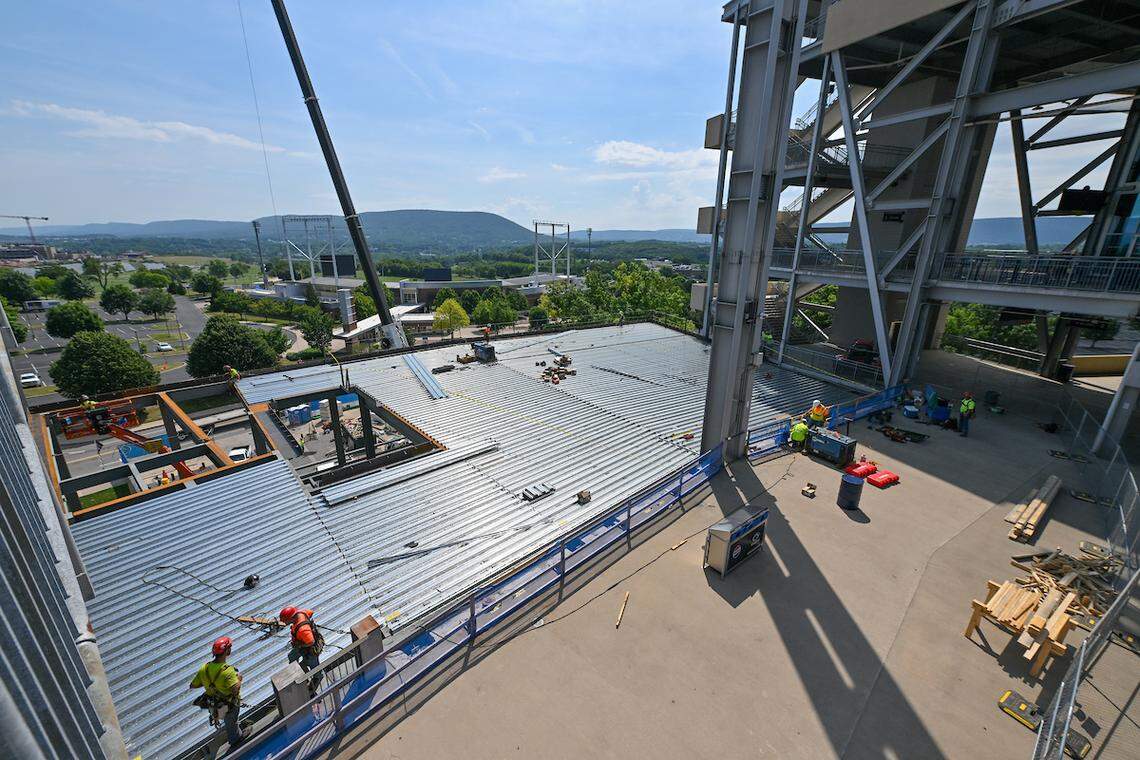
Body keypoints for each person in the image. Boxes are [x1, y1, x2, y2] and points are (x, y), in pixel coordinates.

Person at [189, 637, 246, 748]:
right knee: (232, 722)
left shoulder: (204, 668)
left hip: (215, 705)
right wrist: (239, 679)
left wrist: (208, 683)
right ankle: (236, 741)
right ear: (227, 651)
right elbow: (235, 691)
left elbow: (193, 685)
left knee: (230, 722)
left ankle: (236, 734)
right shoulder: (228, 671)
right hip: (229, 704)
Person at [280, 606, 324, 673]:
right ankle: (297, 670)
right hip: (301, 642)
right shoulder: (301, 613)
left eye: (285, 621)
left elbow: (311, 642)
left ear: (291, 618)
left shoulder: (303, 629)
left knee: (313, 664)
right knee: (292, 656)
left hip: (309, 648)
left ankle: (318, 676)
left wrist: (300, 645)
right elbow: (310, 612)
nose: (284, 623)